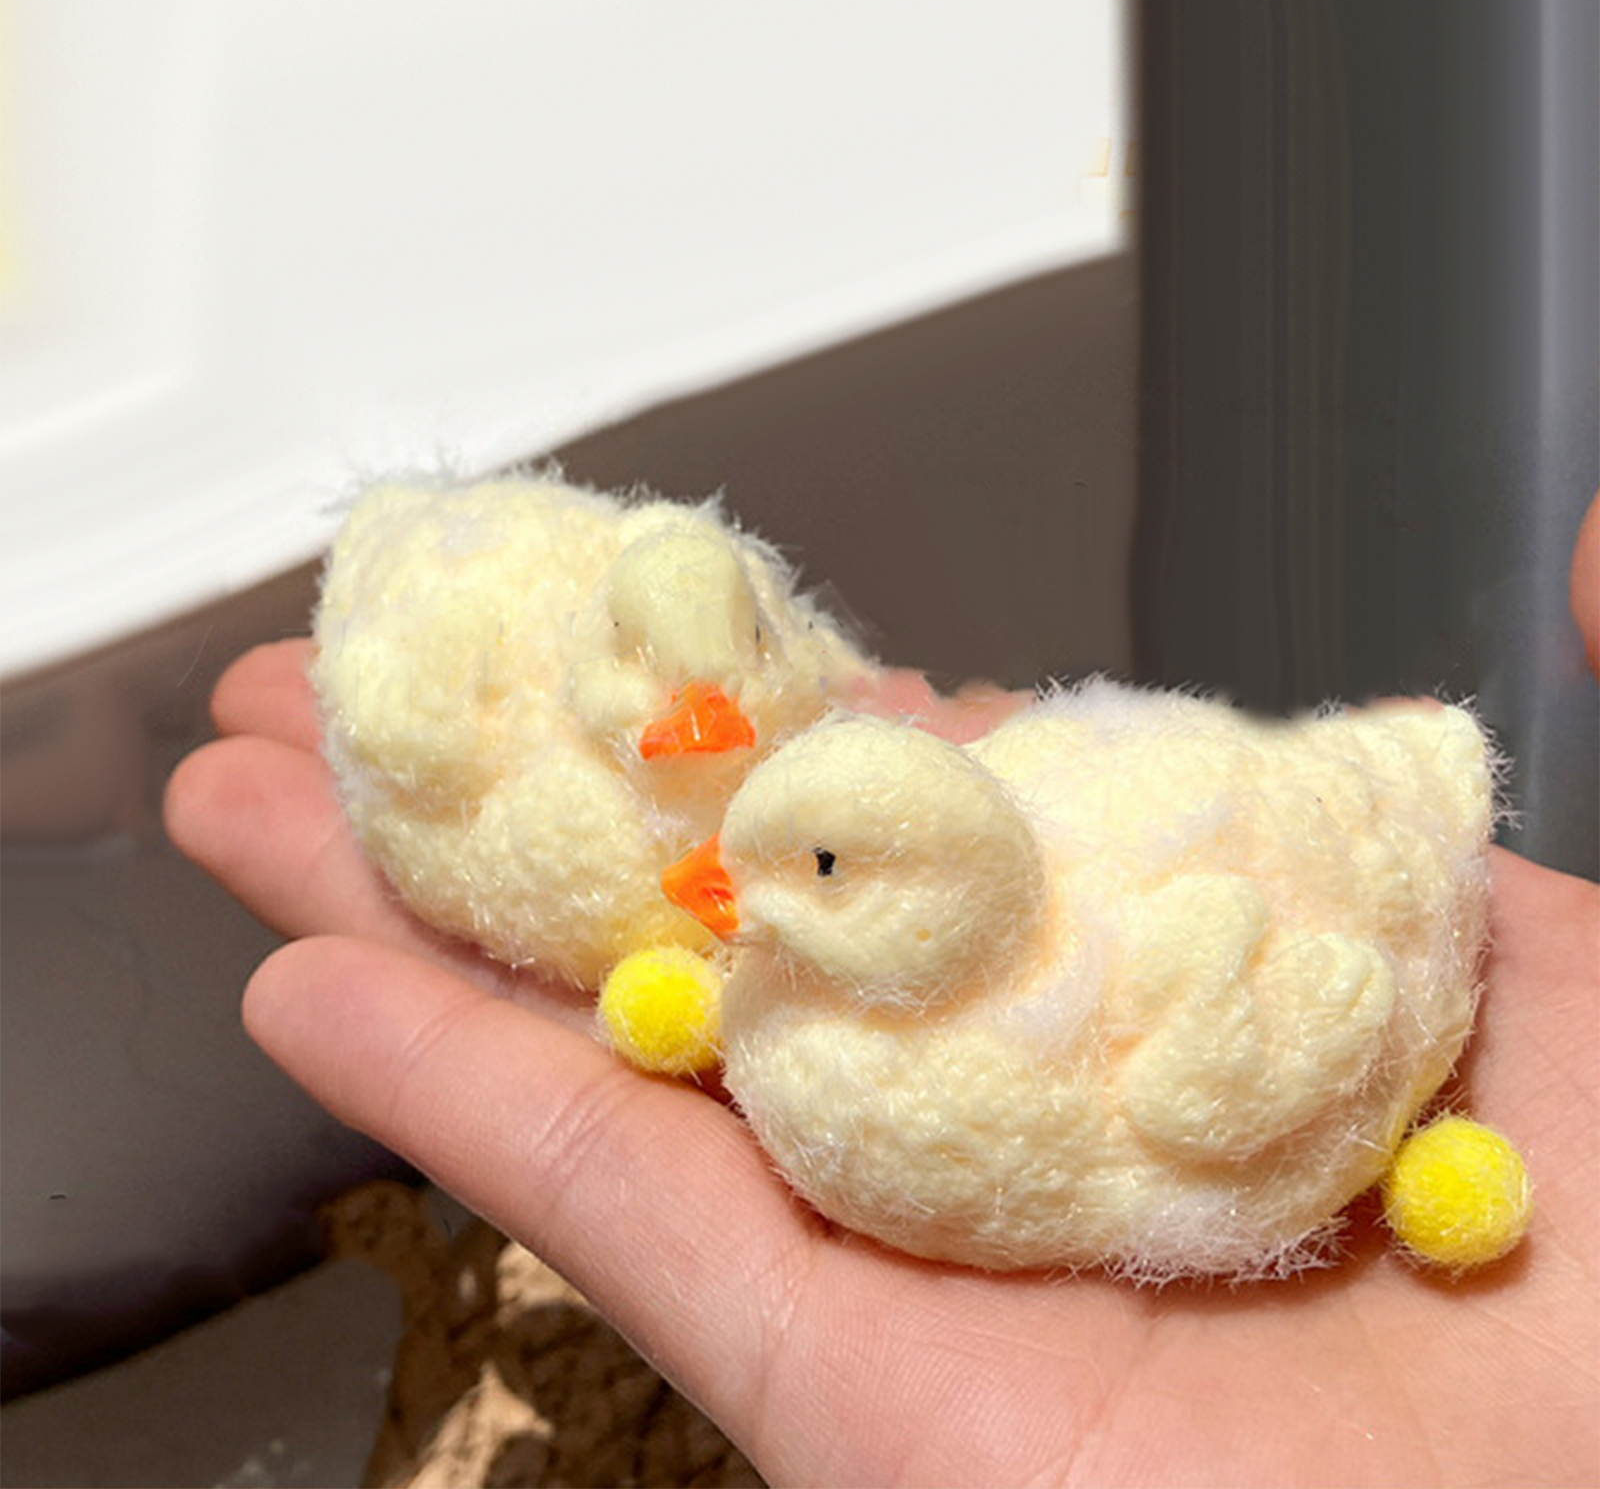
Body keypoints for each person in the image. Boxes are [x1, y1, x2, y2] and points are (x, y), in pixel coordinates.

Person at [167, 496, 1600, 1488]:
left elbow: (1349, 958)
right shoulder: (806, 992)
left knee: (1262, 1115)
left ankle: (1413, 1158)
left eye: (816, 872)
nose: (717, 899)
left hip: (1310, 872)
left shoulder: (1164, 1071)